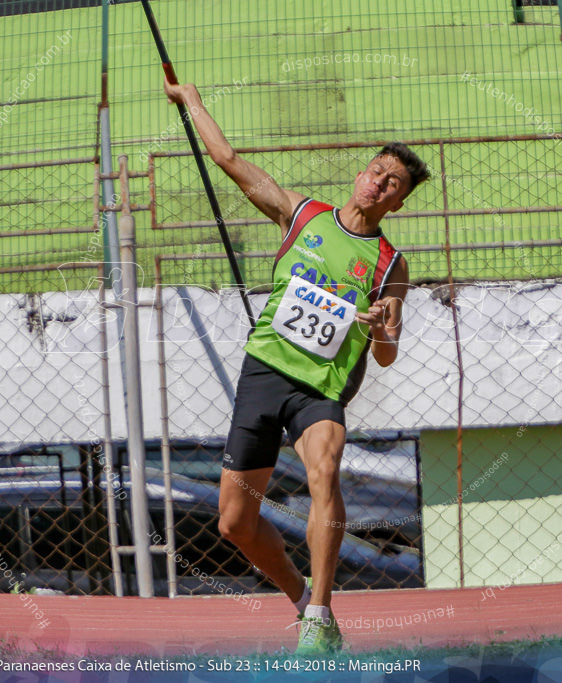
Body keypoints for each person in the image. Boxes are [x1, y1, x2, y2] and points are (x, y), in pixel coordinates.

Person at [164, 80, 429, 653]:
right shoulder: (301, 213)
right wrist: (192, 103)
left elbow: (385, 354)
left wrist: (386, 327)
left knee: (325, 468)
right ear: (360, 174)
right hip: (264, 376)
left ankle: (321, 613)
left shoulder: (390, 264)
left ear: (398, 203)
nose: (379, 183)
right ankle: (301, 596)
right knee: (234, 524)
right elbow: (229, 161)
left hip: (320, 390)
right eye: (375, 171)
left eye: (393, 183)